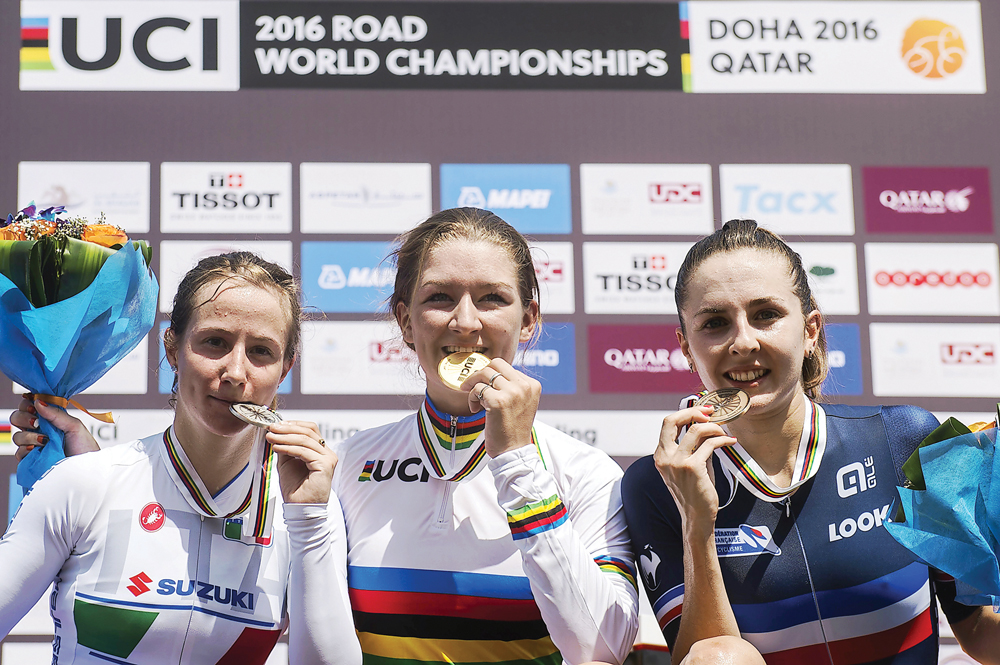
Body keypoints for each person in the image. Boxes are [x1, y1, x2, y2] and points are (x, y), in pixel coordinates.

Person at [621, 219, 1000, 665]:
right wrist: (697, 523)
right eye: (716, 323)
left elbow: (977, 628)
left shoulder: (903, 438)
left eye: (766, 314)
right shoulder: (656, 483)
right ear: (687, 348)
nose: (743, 341)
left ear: (810, 330)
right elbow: (702, 657)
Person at [3, 252, 362, 665]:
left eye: (261, 351)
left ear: (285, 369)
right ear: (172, 348)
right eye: (215, 342)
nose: (234, 372)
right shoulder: (85, 483)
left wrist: (308, 521)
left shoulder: (306, 509)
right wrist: (90, 482)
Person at [332, 207, 638, 664]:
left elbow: (603, 648)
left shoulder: (584, 472)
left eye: (492, 298)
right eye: (440, 297)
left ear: (529, 318)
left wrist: (517, 461)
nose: (466, 322)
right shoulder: (348, 465)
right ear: (405, 322)